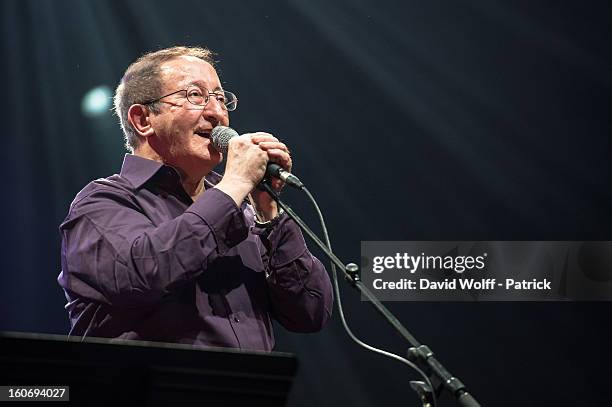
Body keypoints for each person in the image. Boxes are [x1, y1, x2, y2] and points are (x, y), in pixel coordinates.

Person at [57, 46, 333, 351]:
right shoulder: (101, 203)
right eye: (195, 95)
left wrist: (268, 212)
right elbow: (143, 275)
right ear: (143, 119)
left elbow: (310, 312)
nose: (217, 113)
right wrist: (235, 184)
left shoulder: (244, 209)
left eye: (220, 98)